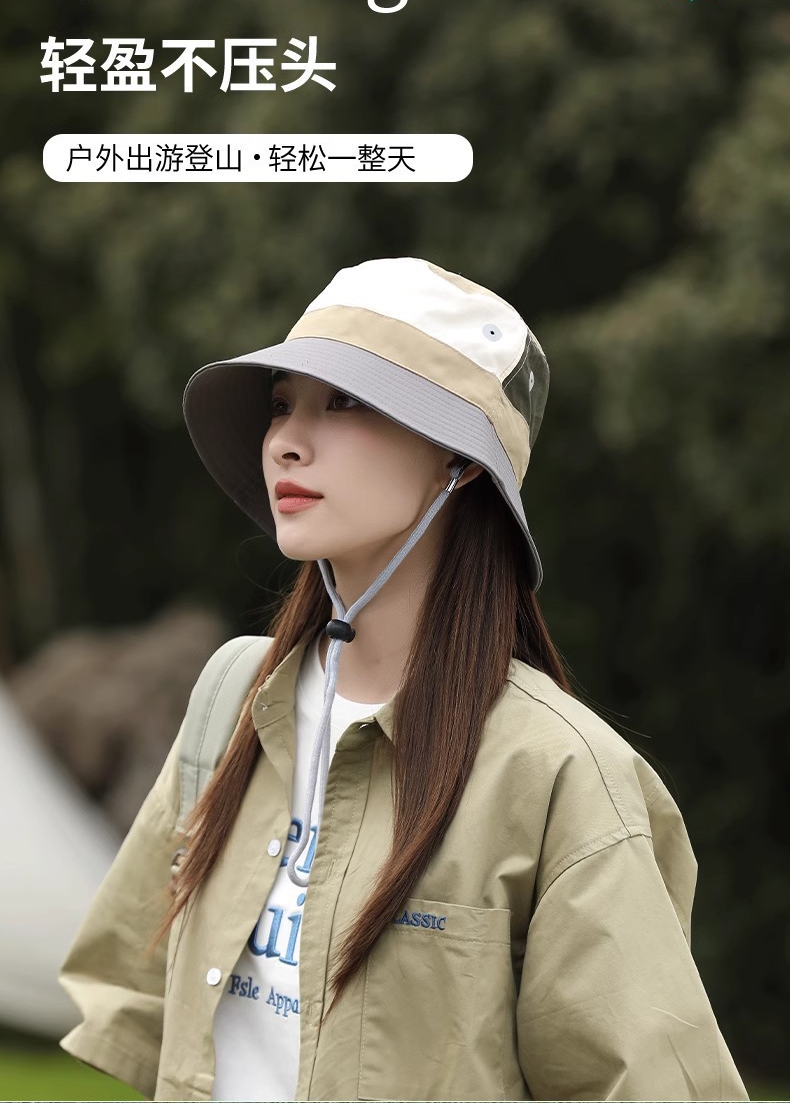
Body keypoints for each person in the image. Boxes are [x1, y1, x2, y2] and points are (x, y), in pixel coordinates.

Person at [58, 256, 750, 1102]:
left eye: (345, 402)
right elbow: (140, 990)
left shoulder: (560, 774)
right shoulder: (235, 700)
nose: (286, 440)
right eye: (282, 404)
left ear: (460, 462)